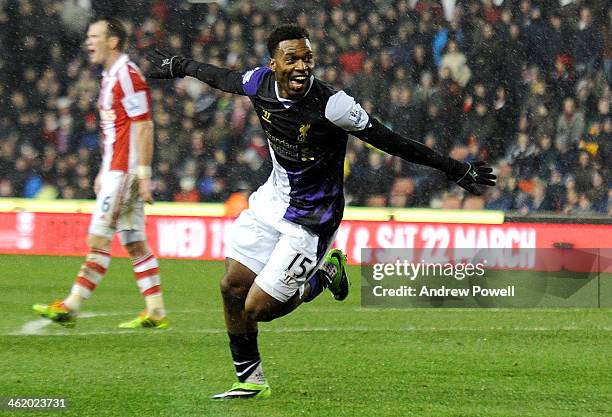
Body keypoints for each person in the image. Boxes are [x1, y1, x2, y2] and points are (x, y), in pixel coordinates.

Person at [146, 24, 496, 398]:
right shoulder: (258, 83)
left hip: (312, 219)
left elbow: (390, 141)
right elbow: (221, 78)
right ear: (273, 64)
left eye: (307, 58)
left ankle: (324, 274)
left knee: (258, 308)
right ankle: (249, 379)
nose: (301, 66)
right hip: (272, 202)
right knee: (231, 286)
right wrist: (179, 66)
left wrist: (454, 167)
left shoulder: (334, 105)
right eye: (291, 58)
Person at [33, 17, 168, 329]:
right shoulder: (110, 76)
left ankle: (70, 305)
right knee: (134, 242)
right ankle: (156, 310)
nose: (88, 42)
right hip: (115, 169)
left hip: (125, 171)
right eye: (88, 37)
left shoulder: (128, 75)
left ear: (113, 41)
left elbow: (144, 124)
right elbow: (116, 130)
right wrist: (102, 171)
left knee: (98, 238)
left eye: (95, 36)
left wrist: (143, 174)